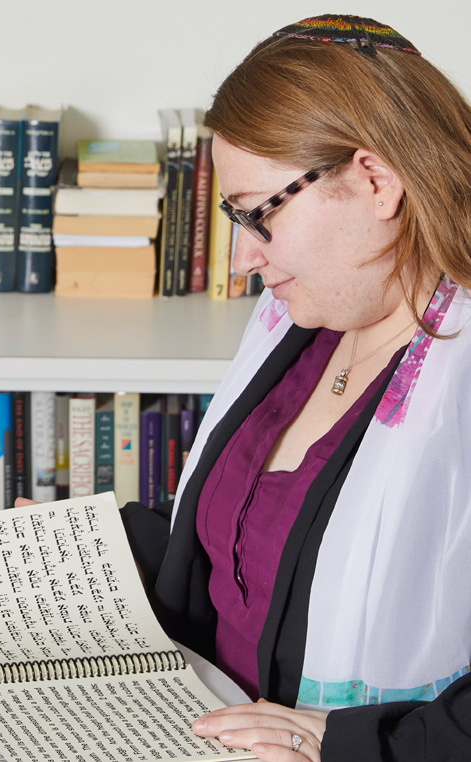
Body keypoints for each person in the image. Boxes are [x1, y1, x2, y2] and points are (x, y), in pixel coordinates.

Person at [118, 13, 471, 762]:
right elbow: (242, 555)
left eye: (257, 215)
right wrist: (85, 552)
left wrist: (348, 744)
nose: (242, 256)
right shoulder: (296, 325)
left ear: (375, 182)